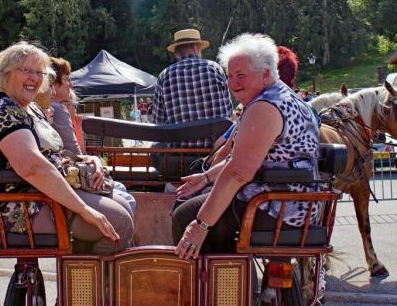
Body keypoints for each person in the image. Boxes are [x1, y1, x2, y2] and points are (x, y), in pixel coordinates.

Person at [172, 33, 320, 260]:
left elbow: (238, 173)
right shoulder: (284, 97)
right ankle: (229, 279)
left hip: (279, 209)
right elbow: (242, 159)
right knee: (199, 199)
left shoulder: (264, 107)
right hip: (291, 204)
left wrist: (200, 226)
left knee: (185, 215)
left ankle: (213, 288)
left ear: (266, 74)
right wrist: (207, 178)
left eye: (241, 75)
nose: (232, 83)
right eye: (230, 76)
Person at [0, 42, 133, 253]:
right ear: (6, 73)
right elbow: (32, 167)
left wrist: (88, 160)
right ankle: (86, 283)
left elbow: (54, 153)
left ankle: (94, 277)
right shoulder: (4, 110)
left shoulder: (32, 108)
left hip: (49, 192)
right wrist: (84, 209)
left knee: (125, 205)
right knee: (119, 222)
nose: (34, 78)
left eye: (39, 72)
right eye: (26, 70)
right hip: (22, 204)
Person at [50, 56, 137, 214]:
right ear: (54, 84)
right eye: (66, 79)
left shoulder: (54, 109)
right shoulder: (59, 110)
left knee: (121, 189)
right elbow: (79, 154)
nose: (71, 84)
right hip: (69, 178)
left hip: (65, 175)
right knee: (127, 198)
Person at [152, 28, 232, 148]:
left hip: (179, 154)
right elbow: (228, 111)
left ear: (176, 52)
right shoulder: (215, 69)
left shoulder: (164, 75)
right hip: (215, 150)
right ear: (196, 47)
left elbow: (158, 121)